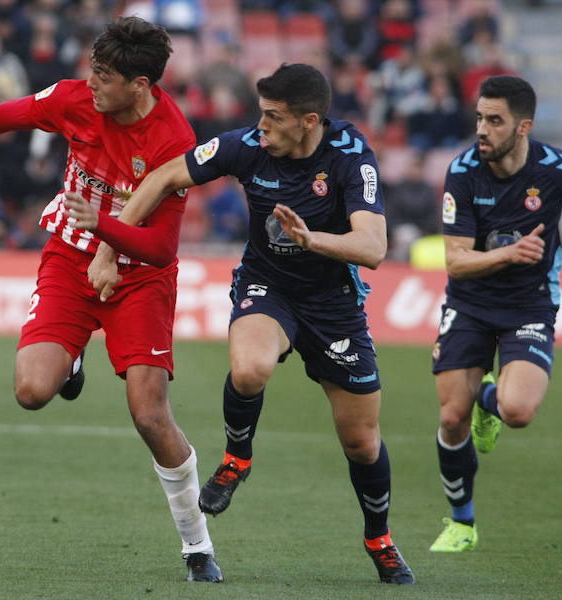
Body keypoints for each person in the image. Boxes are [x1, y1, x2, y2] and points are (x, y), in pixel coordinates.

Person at [67, 63, 415, 585]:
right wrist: (110, 248)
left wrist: (314, 240)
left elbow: (373, 247)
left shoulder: (350, 157)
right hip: (267, 284)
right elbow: (164, 176)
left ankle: (379, 539)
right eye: (261, 113)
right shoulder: (246, 145)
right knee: (249, 369)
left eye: (274, 117)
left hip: (332, 301)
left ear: (309, 121)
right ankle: (237, 458)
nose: (262, 125)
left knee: (361, 442)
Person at [0, 17, 223, 583]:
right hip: (70, 257)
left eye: (104, 74)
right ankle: (73, 354)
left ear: (141, 84)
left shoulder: (175, 141)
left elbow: (160, 246)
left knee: (149, 414)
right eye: (92, 70)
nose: (91, 82)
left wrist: (105, 227)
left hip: (140, 278)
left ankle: (197, 545)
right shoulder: (76, 100)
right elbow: (7, 114)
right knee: (30, 391)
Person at [428, 76, 562, 551]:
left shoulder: (557, 167)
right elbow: (456, 262)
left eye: (494, 120)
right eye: (480, 118)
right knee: (451, 419)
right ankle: (462, 523)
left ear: (523, 127)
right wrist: (509, 255)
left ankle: (491, 399)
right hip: (469, 303)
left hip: (529, 307)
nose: (482, 130)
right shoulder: (463, 171)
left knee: (519, 412)